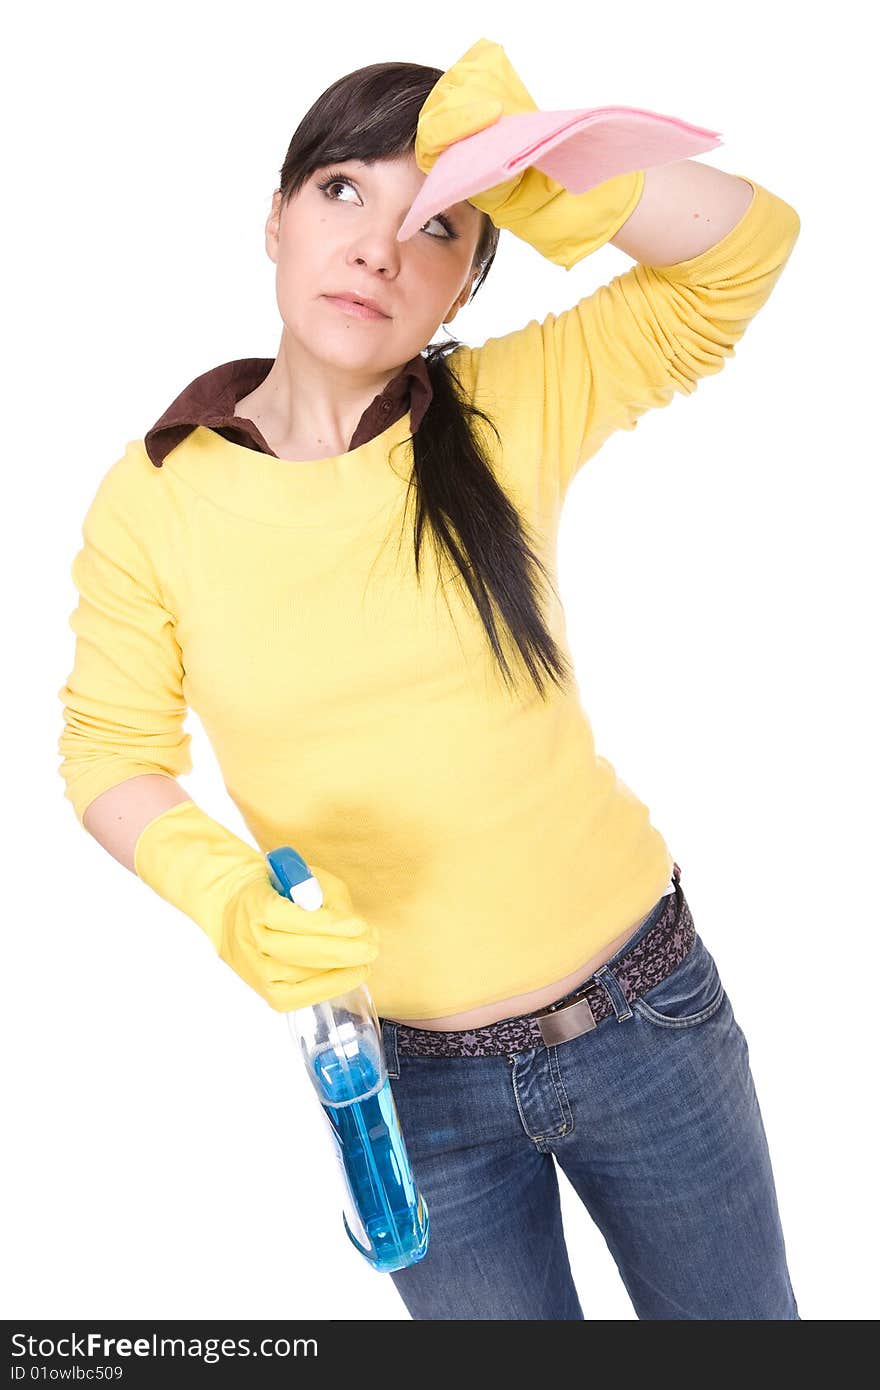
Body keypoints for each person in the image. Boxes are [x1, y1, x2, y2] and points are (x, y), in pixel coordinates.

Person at [57, 40, 802, 1319]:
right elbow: (109, 750)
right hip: (402, 1087)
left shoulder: (508, 406)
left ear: (462, 284)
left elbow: (747, 246)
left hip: (647, 1021)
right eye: (343, 192)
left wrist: (554, 172)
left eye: (437, 225)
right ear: (277, 217)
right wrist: (226, 893)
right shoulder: (157, 495)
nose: (376, 249)